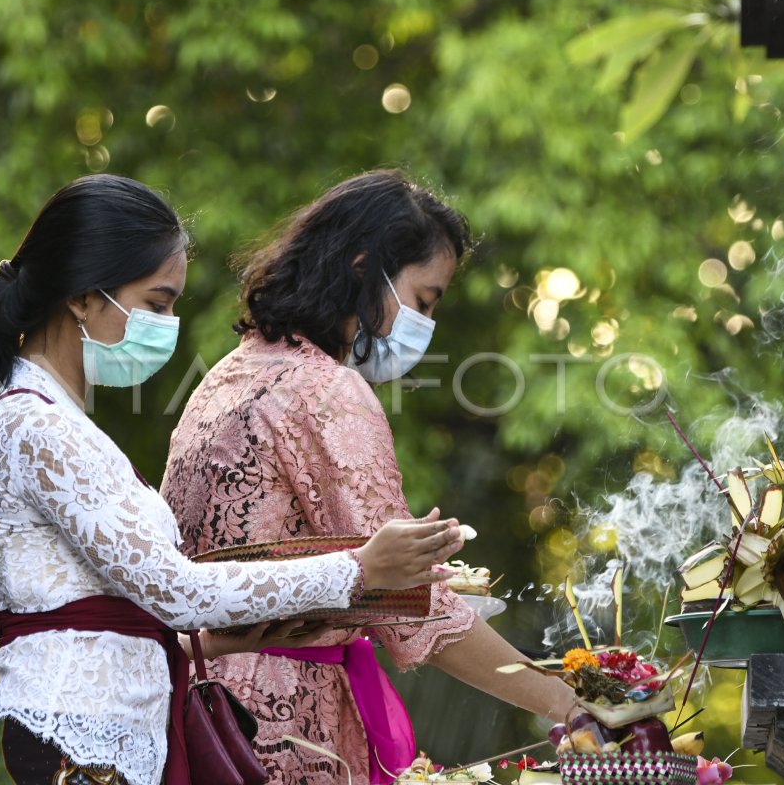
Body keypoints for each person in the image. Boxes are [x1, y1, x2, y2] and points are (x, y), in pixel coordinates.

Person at [0, 174, 466, 785]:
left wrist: (229, 642)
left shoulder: (52, 420)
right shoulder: (33, 427)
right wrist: (359, 570)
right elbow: (175, 592)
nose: (167, 323)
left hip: (94, 745)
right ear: (82, 296)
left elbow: (110, 623)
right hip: (63, 743)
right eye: (156, 303)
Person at [161, 170, 580, 784]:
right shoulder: (326, 390)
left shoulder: (229, 373)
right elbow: (405, 600)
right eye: (424, 300)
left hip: (204, 711)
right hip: (282, 725)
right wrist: (565, 701)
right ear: (364, 268)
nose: (425, 324)